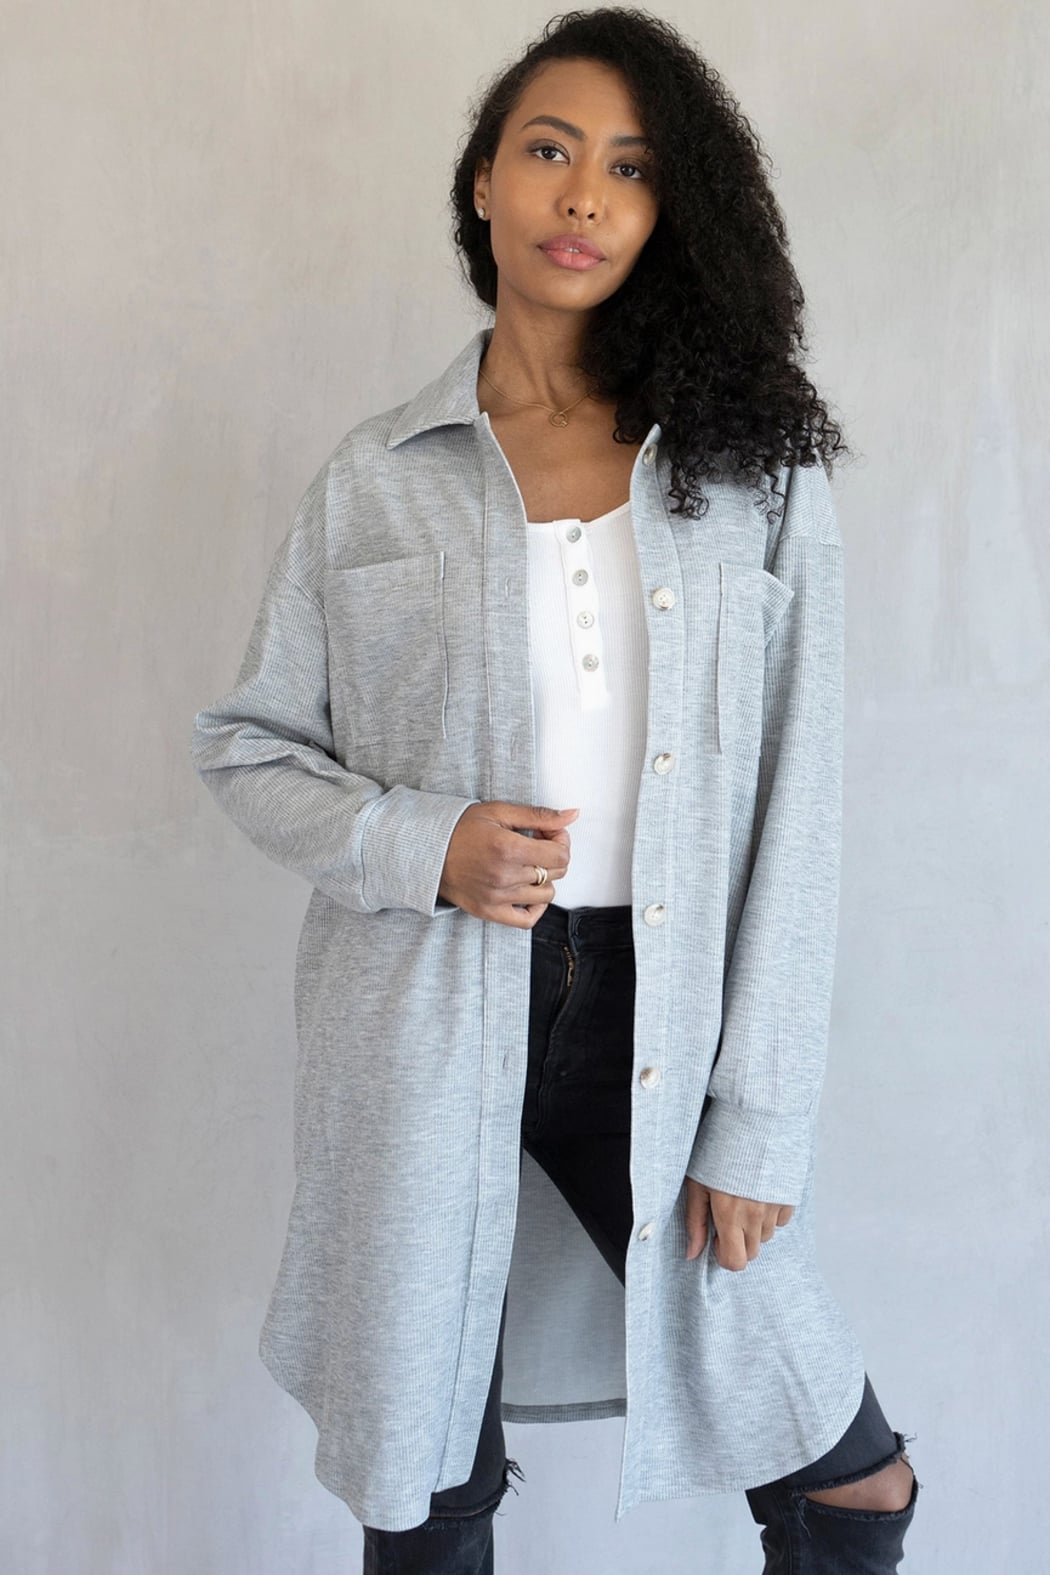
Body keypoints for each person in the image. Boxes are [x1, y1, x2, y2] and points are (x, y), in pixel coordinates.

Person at [191, 7, 920, 1571]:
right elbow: (248, 746)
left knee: (844, 1474)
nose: (583, 194)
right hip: (420, 1015)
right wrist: (424, 842)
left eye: (631, 168)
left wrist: (758, 1119)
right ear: (483, 184)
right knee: (429, 1479)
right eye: (548, 150)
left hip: (656, 1023)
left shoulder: (747, 469)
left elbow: (800, 801)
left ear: (669, 212)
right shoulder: (377, 476)